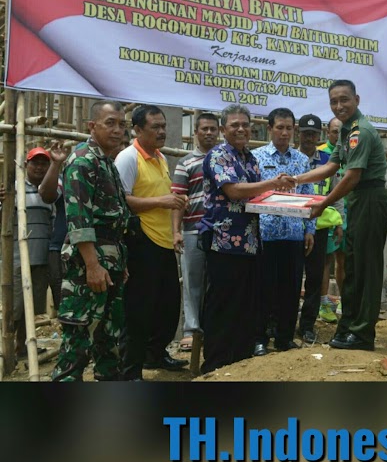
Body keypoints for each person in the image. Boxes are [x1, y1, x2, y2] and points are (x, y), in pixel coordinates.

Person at [281, 80, 387, 351]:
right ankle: (351, 326)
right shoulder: (346, 131)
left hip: (370, 199)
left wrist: (324, 203)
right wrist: (295, 179)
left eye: (344, 100)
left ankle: (363, 334)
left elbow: (352, 176)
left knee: (366, 270)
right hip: (359, 201)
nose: (339, 106)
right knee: (353, 268)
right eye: (334, 101)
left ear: (357, 98)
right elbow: (331, 166)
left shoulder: (361, 132)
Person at [195, 105, 288, 373]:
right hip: (223, 241)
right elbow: (234, 191)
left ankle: (239, 363)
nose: (240, 129)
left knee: (246, 304)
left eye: (245, 124)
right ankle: (214, 364)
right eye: (234, 125)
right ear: (224, 130)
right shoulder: (218, 156)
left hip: (249, 241)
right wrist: (273, 185)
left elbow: (255, 197)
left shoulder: (250, 159)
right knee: (223, 304)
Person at [52, 101, 131, 381]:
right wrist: (93, 265)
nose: (117, 129)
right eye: (110, 123)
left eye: (122, 124)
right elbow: (79, 219)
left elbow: (116, 218)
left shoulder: (106, 162)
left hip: (109, 259)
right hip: (88, 263)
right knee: (78, 342)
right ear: (92, 126)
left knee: (109, 340)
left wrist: (117, 262)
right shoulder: (83, 161)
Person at [115, 105, 188, 379]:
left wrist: (175, 227)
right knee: (138, 310)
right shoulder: (128, 158)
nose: (161, 132)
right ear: (137, 129)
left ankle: (155, 355)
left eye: (163, 126)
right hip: (140, 241)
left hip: (164, 242)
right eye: (155, 127)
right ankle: (131, 370)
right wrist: (162, 201)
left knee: (168, 306)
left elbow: (166, 200)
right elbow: (122, 201)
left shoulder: (159, 157)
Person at [252, 108, 316, 353]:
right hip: (264, 234)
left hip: (293, 234)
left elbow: (308, 195)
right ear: (270, 129)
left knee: (290, 290)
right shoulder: (256, 157)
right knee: (263, 289)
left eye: (289, 128)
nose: (284, 132)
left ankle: (285, 338)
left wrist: (309, 229)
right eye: (280, 127)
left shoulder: (301, 161)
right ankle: (259, 339)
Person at [171, 112, 219, 352]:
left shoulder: (226, 161)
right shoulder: (186, 162)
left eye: (213, 129)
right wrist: (176, 231)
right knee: (192, 282)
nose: (209, 133)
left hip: (222, 232)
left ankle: (212, 328)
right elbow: (178, 198)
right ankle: (191, 329)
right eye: (204, 129)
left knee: (217, 282)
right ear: (196, 133)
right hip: (193, 230)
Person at [296, 114, 343, 344]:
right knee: (290, 277)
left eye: (313, 134)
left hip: (321, 227)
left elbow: (337, 194)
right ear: (299, 133)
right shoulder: (292, 159)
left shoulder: (328, 160)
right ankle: (280, 323)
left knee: (315, 278)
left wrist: (340, 222)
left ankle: (307, 326)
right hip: (294, 227)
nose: (309, 138)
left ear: (319, 136)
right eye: (306, 133)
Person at [11, 147, 56, 357]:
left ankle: (23, 346)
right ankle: (9, 346)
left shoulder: (51, 191)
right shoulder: (15, 188)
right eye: (34, 163)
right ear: (26, 165)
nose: (39, 167)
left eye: (43, 163)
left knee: (33, 307)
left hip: (41, 256)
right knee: (17, 306)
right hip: (19, 257)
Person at [318, 117, 345, 322]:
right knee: (325, 261)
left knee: (344, 259)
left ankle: (345, 302)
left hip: (346, 214)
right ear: (328, 132)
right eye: (335, 131)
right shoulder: (322, 155)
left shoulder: (352, 152)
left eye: (342, 132)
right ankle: (323, 303)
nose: (339, 136)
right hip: (324, 217)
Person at [37, 142, 68, 313]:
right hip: (59, 247)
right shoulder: (64, 179)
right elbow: (48, 195)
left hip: (86, 247)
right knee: (62, 299)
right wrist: (56, 163)